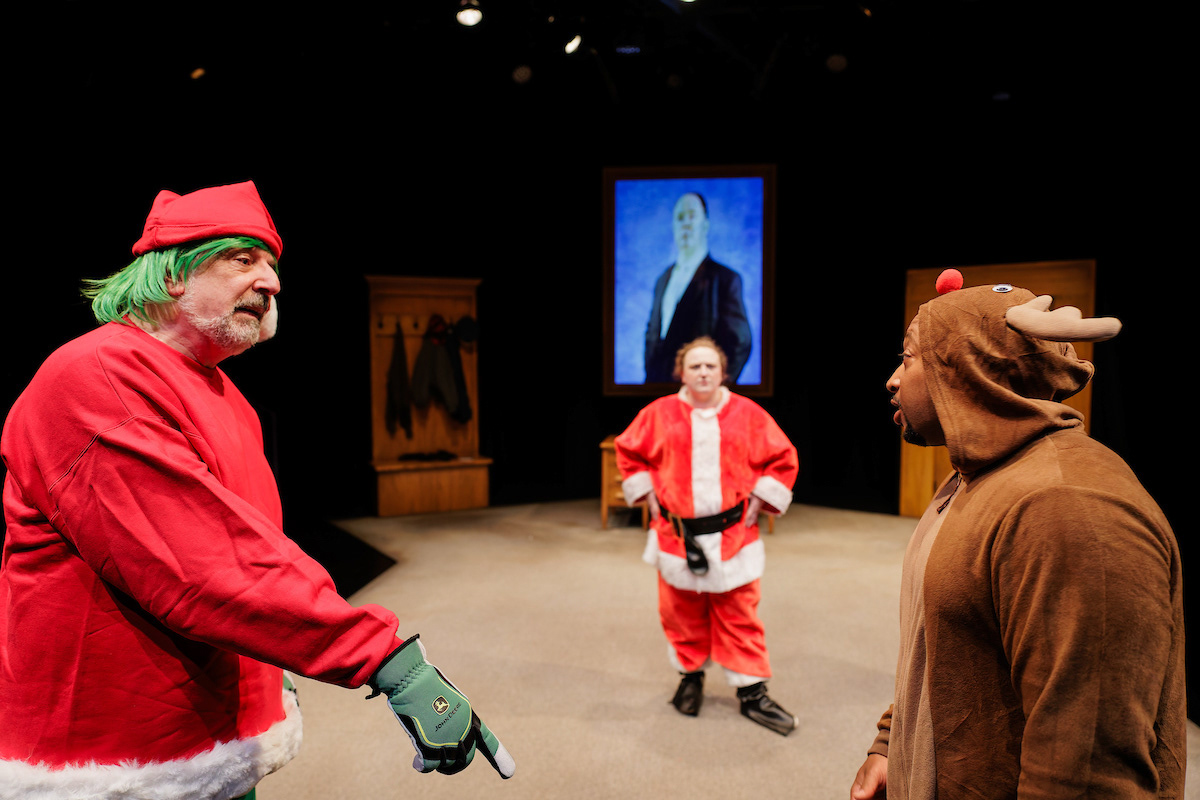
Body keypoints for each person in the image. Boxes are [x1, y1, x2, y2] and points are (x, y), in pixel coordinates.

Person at [0, 182, 514, 800]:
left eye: (271, 265)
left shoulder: (223, 394)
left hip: (207, 732)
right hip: (114, 757)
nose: (271, 282)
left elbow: (253, 548)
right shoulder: (99, 376)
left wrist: (265, 667)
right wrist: (388, 660)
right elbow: (204, 566)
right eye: (243, 259)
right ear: (173, 275)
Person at [850, 274, 1185, 799]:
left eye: (909, 358)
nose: (893, 380)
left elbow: (1087, 770)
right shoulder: (977, 476)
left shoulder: (1067, 507)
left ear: (965, 367)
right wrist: (891, 744)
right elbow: (942, 645)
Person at [615, 336, 799, 735]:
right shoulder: (657, 414)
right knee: (680, 614)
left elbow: (782, 458)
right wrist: (647, 494)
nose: (702, 373)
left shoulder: (748, 414)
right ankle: (690, 677)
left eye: (710, 366)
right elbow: (628, 452)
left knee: (740, 614)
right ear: (681, 373)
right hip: (674, 537)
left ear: (723, 372)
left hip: (734, 537)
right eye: (694, 366)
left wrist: (760, 499)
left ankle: (752, 692)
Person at [644, 192, 753, 384]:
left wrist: (714, 388)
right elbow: (653, 336)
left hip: (701, 394)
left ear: (705, 225)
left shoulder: (724, 279)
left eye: (692, 216)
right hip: (658, 390)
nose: (686, 224)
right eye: (680, 218)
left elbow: (739, 343)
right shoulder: (663, 279)